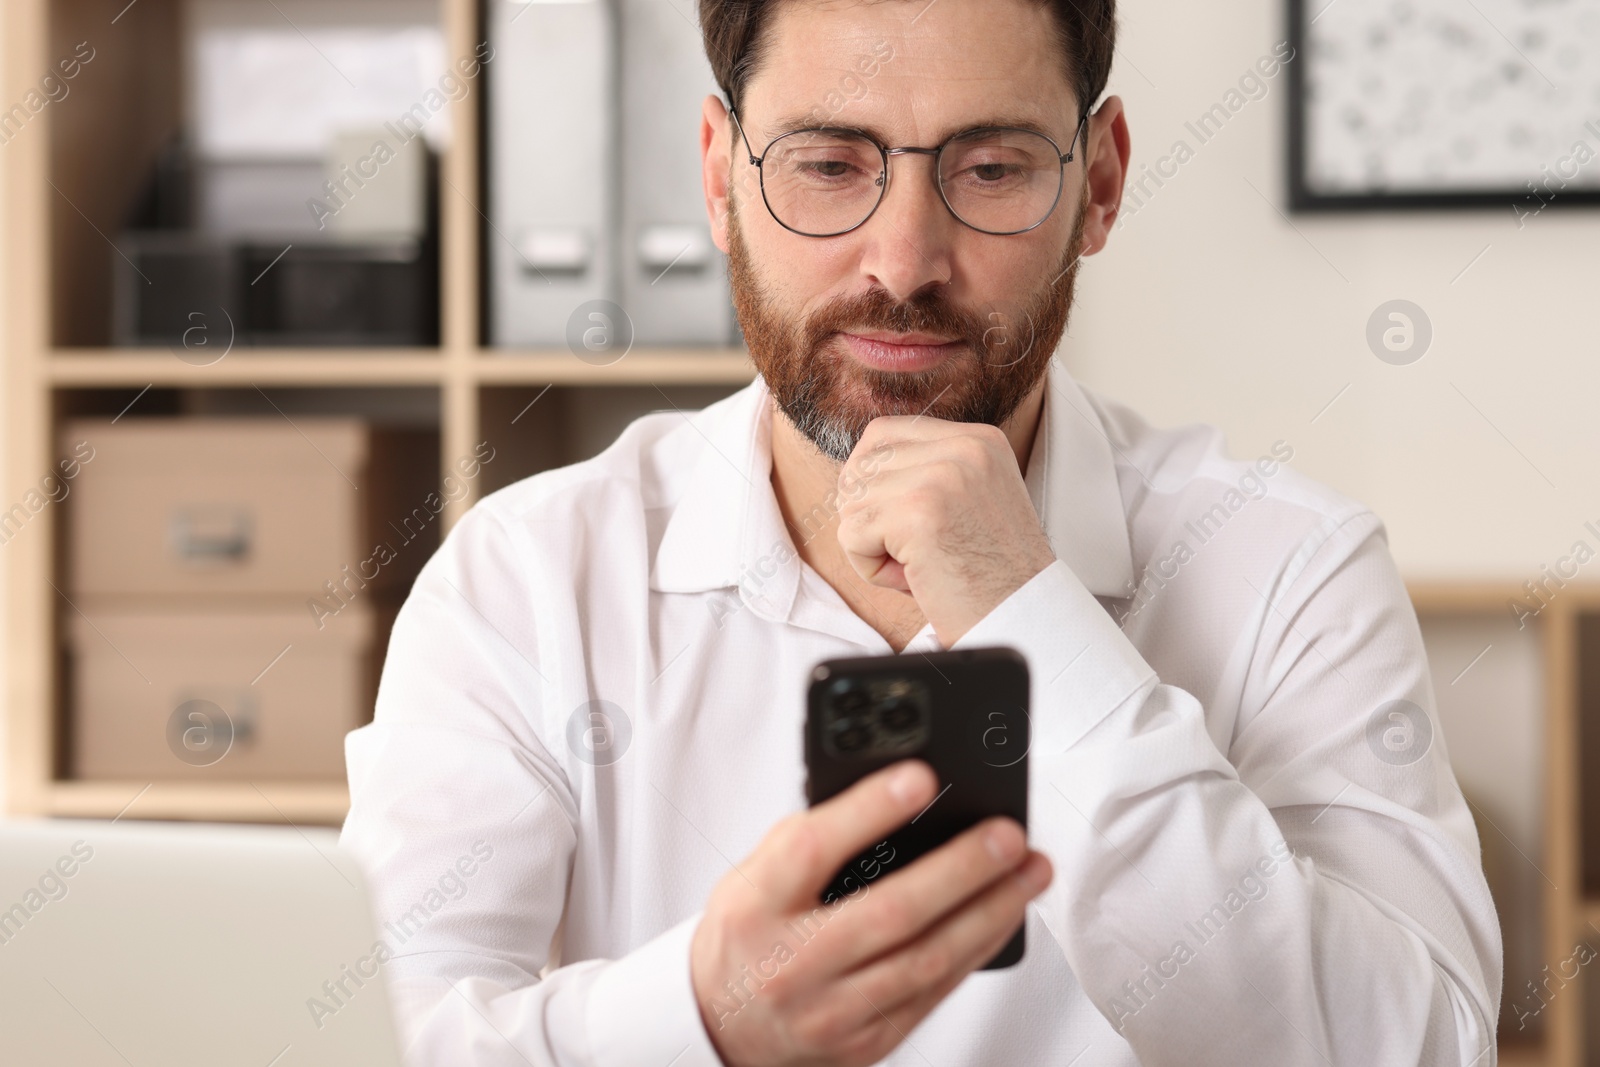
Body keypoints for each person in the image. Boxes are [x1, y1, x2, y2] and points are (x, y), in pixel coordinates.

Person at [339, 0, 1502, 1063]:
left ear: (1098, 184)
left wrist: (1029, 614)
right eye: (829, 164)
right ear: (717, 176)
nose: (901, 262)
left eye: (989, 167)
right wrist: (700, 1024)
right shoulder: (526, 578)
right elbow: (372, 1035)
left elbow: (1419, 1045)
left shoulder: (1289, 566)